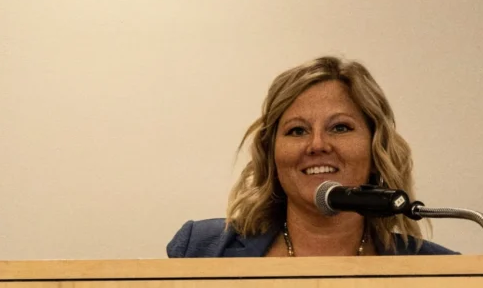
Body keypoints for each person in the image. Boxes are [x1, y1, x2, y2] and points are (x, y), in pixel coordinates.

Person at [166, 55, 457, 258]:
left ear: (375, 147)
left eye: (340, 128)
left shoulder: (440, 272)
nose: (317, 145)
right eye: (297, 131)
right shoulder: (202, 249)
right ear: (272, 155)